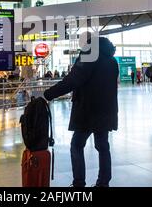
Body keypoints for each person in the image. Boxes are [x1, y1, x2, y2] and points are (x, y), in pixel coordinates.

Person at [43, 37, 119, 187]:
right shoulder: (112, 61)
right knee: (103, 146)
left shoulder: (89, 57)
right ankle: (103, 183)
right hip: (106, 110)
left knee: (77, 145)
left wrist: (48, 94)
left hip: (88, 111)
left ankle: (79, 183)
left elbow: (73, 80)